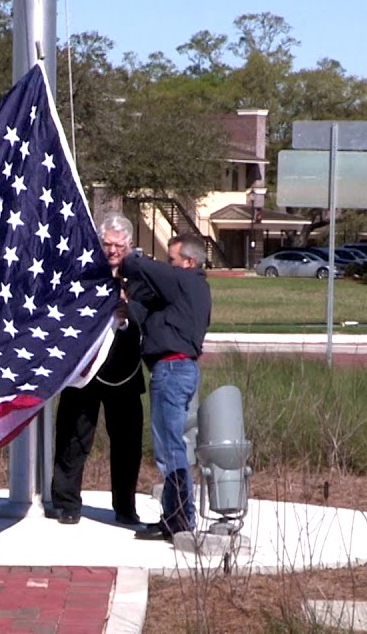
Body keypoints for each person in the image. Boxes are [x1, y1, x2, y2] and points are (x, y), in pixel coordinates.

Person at [48, 213, 145, 527]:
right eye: (107, 244)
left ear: (129, 246)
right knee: (73, 438)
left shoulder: (141, 277)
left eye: (118, 245)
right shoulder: (84, 274)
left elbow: (148, 317)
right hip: (85, 371)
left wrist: (127, 309)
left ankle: (125, 507)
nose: (112, 251)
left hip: (125, 371)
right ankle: (66, 503)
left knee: (128, 444)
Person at [118, 232, 212, 542]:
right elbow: (144, 307)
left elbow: (140, 266)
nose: (167, 266)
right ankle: (174, 516)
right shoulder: (183, 293)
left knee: (170, 448)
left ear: (189, 262)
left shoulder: (188, 282)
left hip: (172, 371)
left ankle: (180, 519)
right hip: (174, 370)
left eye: (171, 261)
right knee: (171, 446)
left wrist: (127, 256)